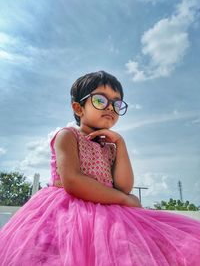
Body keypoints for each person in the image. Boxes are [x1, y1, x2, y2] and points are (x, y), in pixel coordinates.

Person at [0, 71, 200, 266]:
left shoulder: (110, 146)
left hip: (108, 214)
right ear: (79, 108)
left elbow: (124, 186)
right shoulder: (67, 135)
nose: (111, 107)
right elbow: (73, 181)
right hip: (68, 213)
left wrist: (120, 144)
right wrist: (123, 200)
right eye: (100, 100)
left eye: (117, 103)